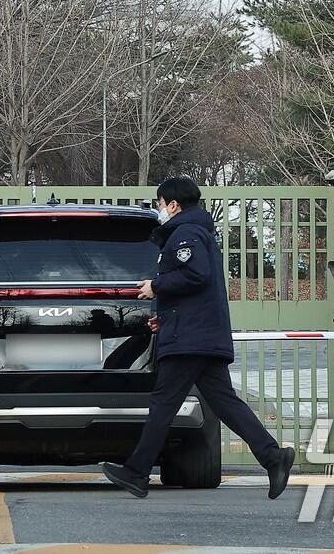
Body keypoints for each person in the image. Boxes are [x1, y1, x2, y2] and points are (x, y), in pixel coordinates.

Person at [102, 176, 295, 499]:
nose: (159, 209)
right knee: (225, 403)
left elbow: (195, 275)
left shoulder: (186, 233)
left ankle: (136, 473)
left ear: (174, 205)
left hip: (190, 339)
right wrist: (162, 318)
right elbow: (196, 290)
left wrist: (156, 286)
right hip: (196, 333)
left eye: (160, 204)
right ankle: (273, 457)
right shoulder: (195, 231)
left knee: (163, 404)